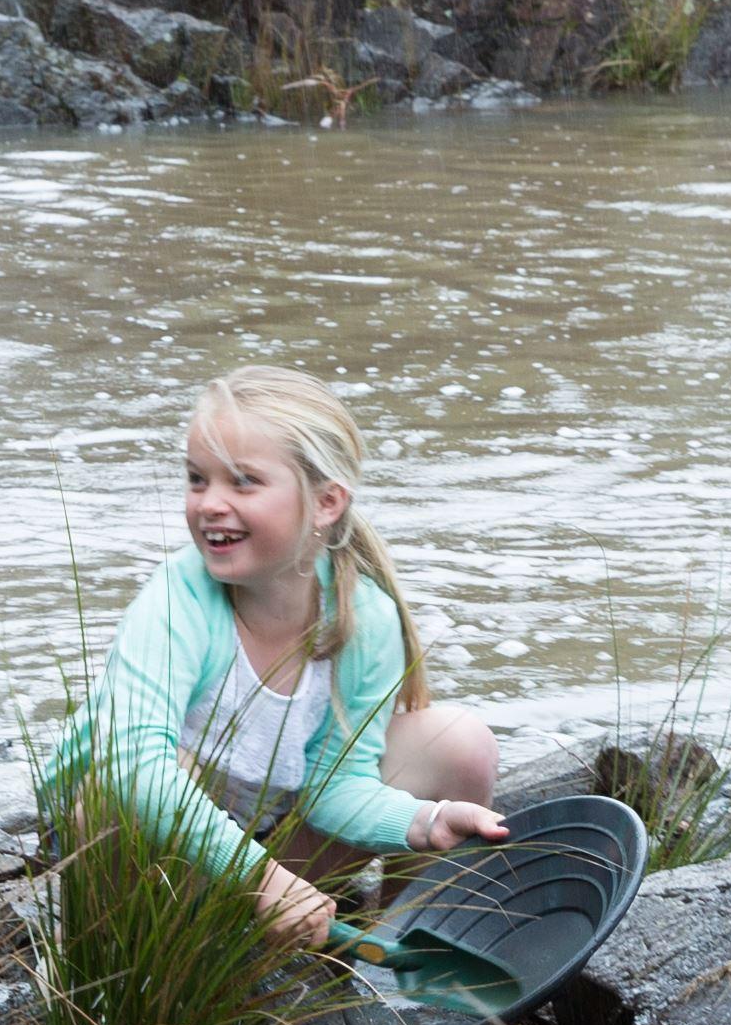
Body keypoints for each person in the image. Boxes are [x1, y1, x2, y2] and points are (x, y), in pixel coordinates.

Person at [51, 367, 507, 946]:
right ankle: (140, 980)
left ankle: (399, 967)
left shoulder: (361, 618)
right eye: (197, 479)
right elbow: (132, 770)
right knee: (137, 787)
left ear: (325, 502)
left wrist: (425, 822)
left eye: (243, 482)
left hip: (268, 866)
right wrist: (258, 876)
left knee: (460, 740)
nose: (210, 503)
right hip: (140, 877)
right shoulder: (177, 598)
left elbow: (335, 786)